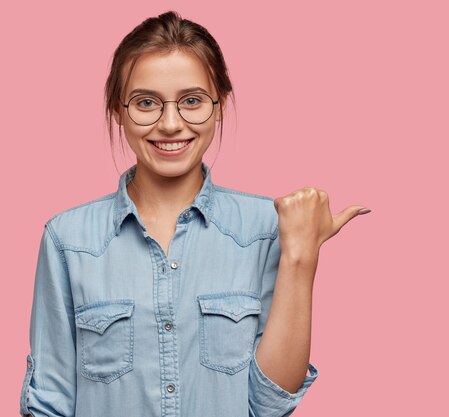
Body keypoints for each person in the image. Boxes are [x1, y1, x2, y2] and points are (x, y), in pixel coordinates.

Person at [19, 10, 370, 417]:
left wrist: (301, 254)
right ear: (118, 110)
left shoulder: (267, 229)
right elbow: (50, 403)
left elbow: (270, 405)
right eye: (146, 102)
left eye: (192, 101)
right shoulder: (68, 239)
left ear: (220, 106)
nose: (171, 124)